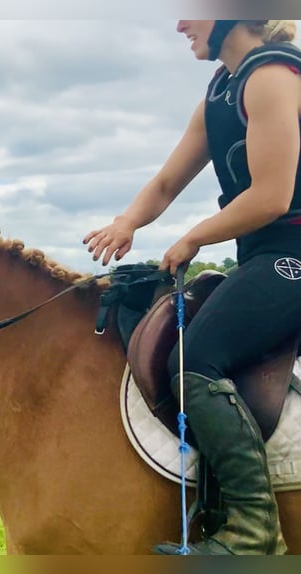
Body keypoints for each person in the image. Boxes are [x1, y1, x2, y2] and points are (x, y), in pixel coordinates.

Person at [83, 20, 301, 555]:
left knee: (196, 358)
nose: (180, 22)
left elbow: (273, 197)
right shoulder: (218, 94)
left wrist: (193, 238)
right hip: (260, 257)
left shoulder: (272, 76)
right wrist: (128, 222)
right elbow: (163, 184)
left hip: (292, 256)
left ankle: (252, 531)